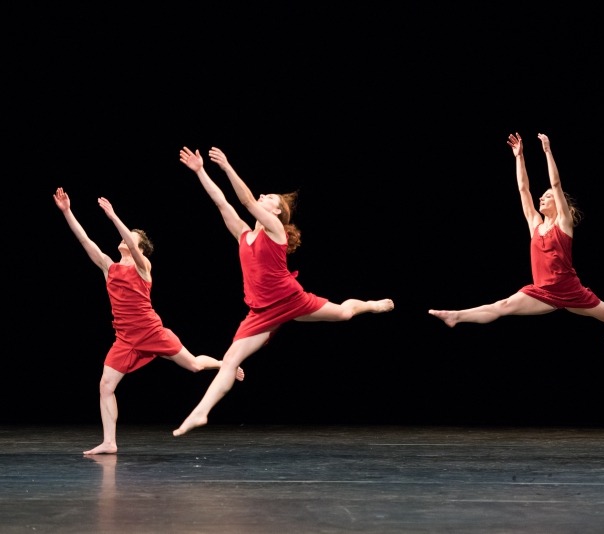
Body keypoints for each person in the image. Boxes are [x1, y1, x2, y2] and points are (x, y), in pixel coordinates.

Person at [173, 147, 394, 436]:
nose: (263, 197)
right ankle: (200, 413)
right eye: (264, 195)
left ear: (276, 212)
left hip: (291, 300)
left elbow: (246, 200)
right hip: (262, 312)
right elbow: (222, 202)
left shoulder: (277, 230)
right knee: (230, 359)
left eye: (270, 199)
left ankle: (372, 305)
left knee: (344, 313)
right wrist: (201, 171)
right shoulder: (243, 234)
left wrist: (227, 167)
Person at [53, 188, 243, 455]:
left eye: (132, 237)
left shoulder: (143, 268)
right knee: (105, 386)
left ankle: (225, 363)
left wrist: (113, 215)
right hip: (125, 338)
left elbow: (131, 244)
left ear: (139, 247)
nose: (126, 239)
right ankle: (109, 442)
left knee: (194, 366)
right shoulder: (109, 267)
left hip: (151, 331)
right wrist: (67, 212)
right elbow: (85, 240)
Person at [429, 133, 604, 327]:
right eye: (542, 196)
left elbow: (556, 184)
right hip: (543, 292)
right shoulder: (535, 225)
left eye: (547, 197)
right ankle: (455, 316)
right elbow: (523, 189)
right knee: (503, 306)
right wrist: (519, 157)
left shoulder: (563, 224)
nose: (541, 198)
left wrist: (547, 151)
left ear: (559, 202)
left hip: (570, 290)